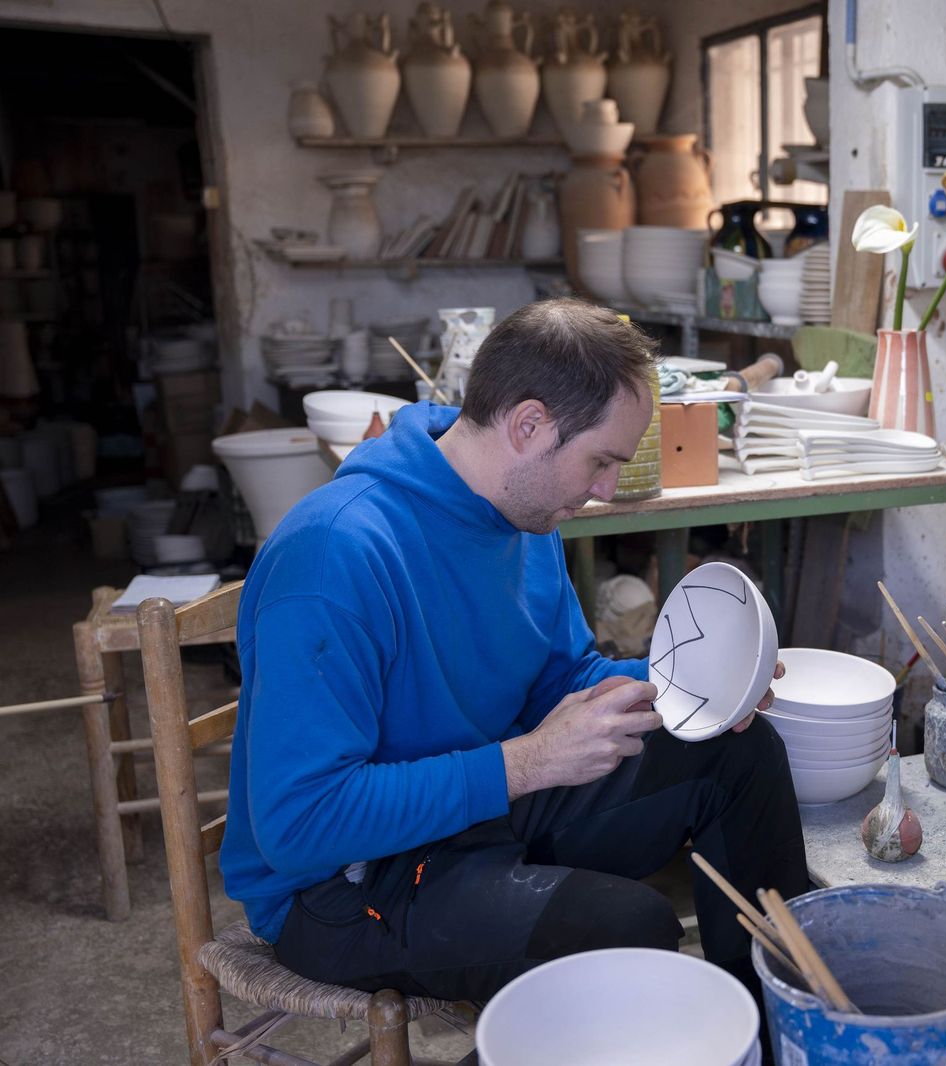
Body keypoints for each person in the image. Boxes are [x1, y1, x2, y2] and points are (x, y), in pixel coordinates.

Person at [220, 299, 807, 1012]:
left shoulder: (524, 515)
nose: (606, 491)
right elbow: (299, 826)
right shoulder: (334, 554)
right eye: (601, 460)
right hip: (345, 881)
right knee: (630, 933)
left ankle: (770, 1035)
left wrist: (694, 685)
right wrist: (526, 763)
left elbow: (559, 680)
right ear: (528, 425)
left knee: (737, 752)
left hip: (483, 802)